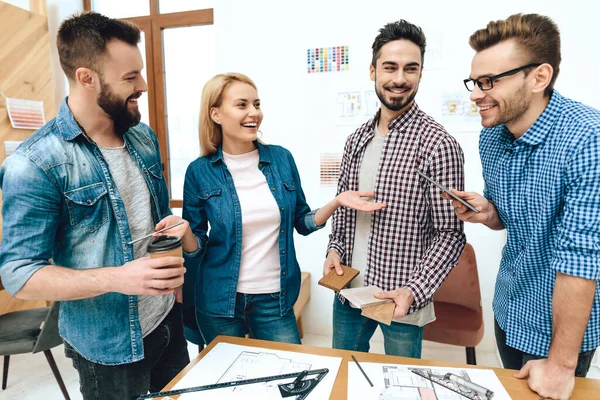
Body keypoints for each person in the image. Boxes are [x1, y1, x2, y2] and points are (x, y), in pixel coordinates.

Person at [0, 12, 199, 400]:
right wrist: (116, 278)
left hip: (166, 322)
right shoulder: (35, 163)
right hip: (107, 349)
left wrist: (174, 236)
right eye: (130, 78)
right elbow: (18, 275)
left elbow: (156, 225)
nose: (142, 85)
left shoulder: (142, 137)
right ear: (86, 77)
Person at [447, 13, 600, 400]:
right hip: (509, 309)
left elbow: (581, 260)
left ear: (539, 77)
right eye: (474, 82)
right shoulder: (493, 138)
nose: (475, 94)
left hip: (559, 334)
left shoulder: (588, 139)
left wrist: (562, 365)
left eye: (489, 82)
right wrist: (489, 213)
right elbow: (513, 220)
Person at [182, 72, 385, 345]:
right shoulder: (199, 172)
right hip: (220, 301)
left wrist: (336, 202)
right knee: (229, 382)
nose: (254, 112)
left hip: (274, 300)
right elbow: (195, 247)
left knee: (290, 379)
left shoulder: (280, 159)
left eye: (256, 104)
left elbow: (302, 221)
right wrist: (184, 233)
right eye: (241, 105)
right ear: (215, 114)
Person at [323, 19, 466, 358]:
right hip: (348, 292)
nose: (400, 79)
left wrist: (413, 291)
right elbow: (344, 211)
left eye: (410, 69)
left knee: (399, 385)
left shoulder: (438, 145)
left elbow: (450, 234)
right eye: (390, 67)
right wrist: (334, 250)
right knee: (344, 373)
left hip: (401, 300)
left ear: (420, 73)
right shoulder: (356, 140)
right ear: (372, 71)